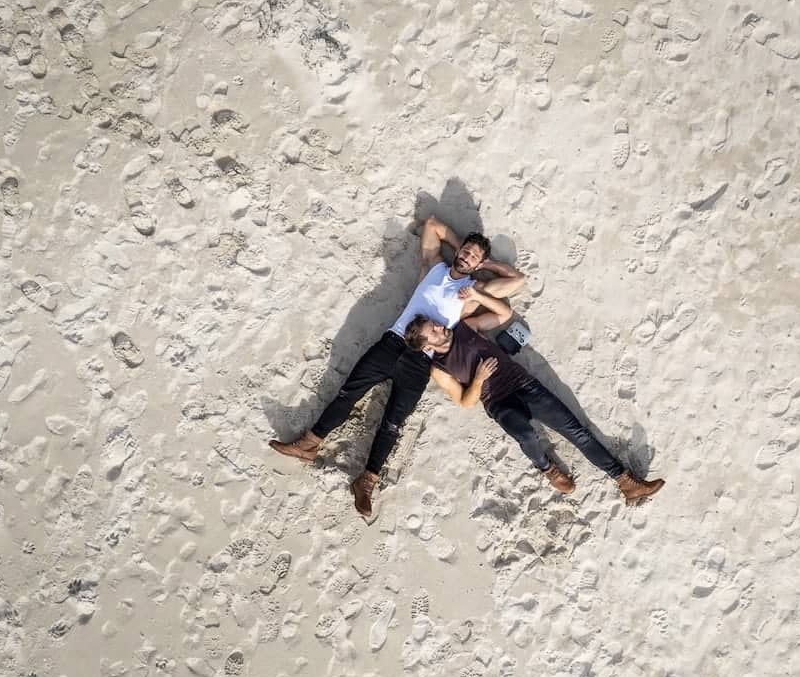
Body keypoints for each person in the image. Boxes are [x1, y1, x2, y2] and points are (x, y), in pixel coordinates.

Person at [269, 216, 526, 523]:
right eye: (466, 251)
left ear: (479, 264)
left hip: (422, 362)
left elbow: (517, 281)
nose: (466, 257)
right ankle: (309, 444)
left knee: (392, 423)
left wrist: (486, 267)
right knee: (348, 393)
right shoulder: (434, 267)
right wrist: (462, 248)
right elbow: (432, 226)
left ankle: (366, 482)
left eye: (473, 257)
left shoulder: (472, 290)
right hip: (393, 342)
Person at [404, 316, 665, 506]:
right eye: (434, 332)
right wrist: (480, 378)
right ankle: (547, 468)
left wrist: (473, 294)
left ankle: (625, 482)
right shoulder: (439, 368)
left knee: (577, 432)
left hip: (525, 384)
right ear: (428, 347)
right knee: (527, 436)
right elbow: (465, 401)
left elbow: (502, 314)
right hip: (498, 402)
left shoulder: (463, 326)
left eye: (435, 324)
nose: (440, 327)